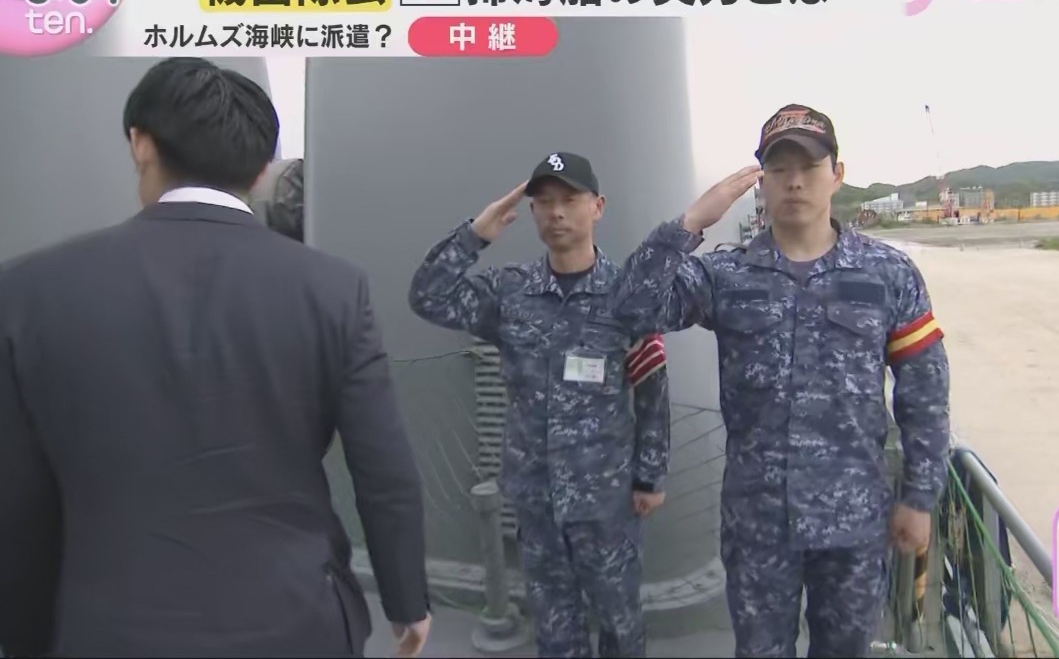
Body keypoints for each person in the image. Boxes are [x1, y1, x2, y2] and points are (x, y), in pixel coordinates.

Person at [0, 58, 431, 658]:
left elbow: (17, 497)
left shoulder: (29, 290)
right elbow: (384, 470)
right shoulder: (332, 289)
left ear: (140, 143)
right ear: (261, 168)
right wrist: (407, 600)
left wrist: (24, 634)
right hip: (294, 622)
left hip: (111, 629)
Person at [609, 104, 951, 657]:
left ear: (837, 174)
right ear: (760, 180)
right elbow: (629, 310)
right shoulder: (725, 274)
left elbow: (925, 391)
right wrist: (690, 222)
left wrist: (919, 496)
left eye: (810, 167)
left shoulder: (887, 273)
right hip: (758, 521)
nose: (794, 181)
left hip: (854, 520)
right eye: (779, 167)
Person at [409, 152, 670, 658]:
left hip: (607, 499)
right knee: (553, 624)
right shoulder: (510, 291)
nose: (556, 213)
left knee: (619, 618)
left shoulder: (626, 294)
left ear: (597, 206)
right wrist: (475, 235)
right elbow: (427, 297)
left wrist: (650, 477)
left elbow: (651, 388)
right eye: (544, 202)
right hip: (537, 497)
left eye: (569, 199)